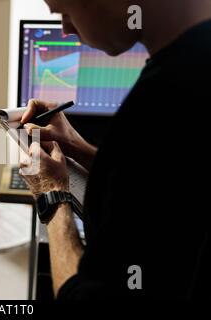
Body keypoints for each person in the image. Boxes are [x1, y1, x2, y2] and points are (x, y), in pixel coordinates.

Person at [20, 0, 211, 299]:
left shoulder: (164, 99)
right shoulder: (193, 63)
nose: (65, 28)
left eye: (64, 12)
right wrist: (77, 146)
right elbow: (157, 183)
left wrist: (51, 195)